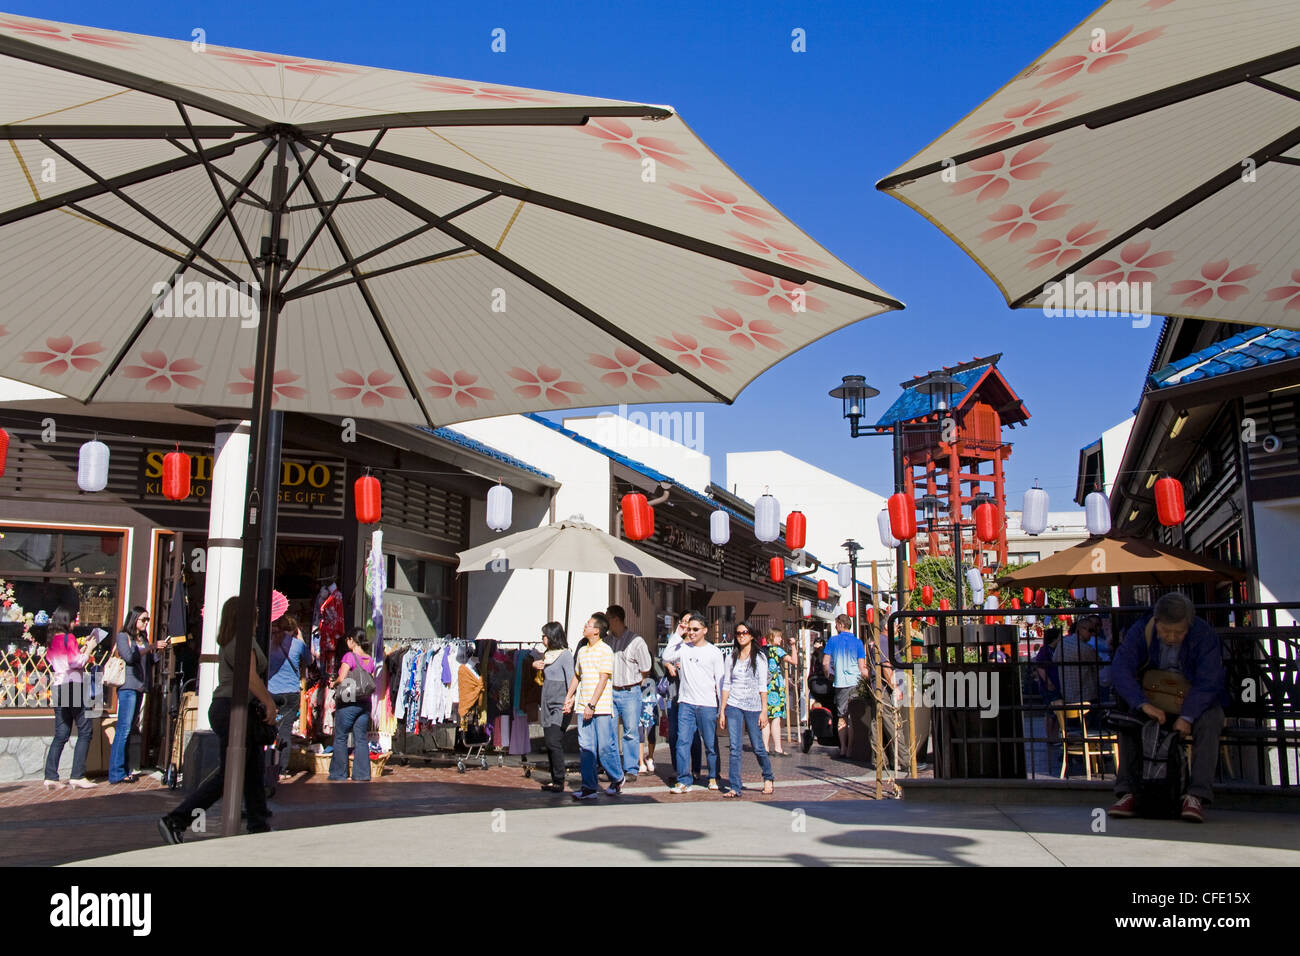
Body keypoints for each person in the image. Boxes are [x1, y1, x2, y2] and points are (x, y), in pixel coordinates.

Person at [159, 596, 277, 843]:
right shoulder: (242, 642)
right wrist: (268, 702)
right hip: (232, 709)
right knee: (229, 774)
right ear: (244, 616)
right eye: (253, 613)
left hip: (232, 708)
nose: (257, 617)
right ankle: (176, 819)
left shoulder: (233, 641)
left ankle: (258, 823)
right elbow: (250, 677)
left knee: (252, 768)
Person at [1108, 593, 1228, 824]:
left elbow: (1209, 680)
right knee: (1130, 721)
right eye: (1166, 632)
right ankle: (1128, 792)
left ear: (1189, 625)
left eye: (1179, 632)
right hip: (1153, 699)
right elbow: (1121, 669)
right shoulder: (1141, 629)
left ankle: (1196, 796)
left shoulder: (1203, 634)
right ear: (1157, 621)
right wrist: (1142, 704)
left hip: (1193, 700)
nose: (1172, 637)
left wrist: (1188, 716)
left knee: (1212, 720)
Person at [663, 610, 725, 793]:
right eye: (689, 629)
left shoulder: (714, 652)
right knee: (682, 741)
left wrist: (722, 708)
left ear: (705, 630)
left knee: (710, 743)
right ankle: (683, 779)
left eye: (695, 629)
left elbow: (720, 681)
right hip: (686, 703)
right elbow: (666, 656)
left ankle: (713, 776)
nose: (692, 632)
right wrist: (677, 633)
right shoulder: (683, 648)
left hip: (707, 704)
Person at [564, 613, 624, 800]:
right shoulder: (582, 651)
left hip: (601, 707)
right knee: (586, 747)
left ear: (597, 631)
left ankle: (617, 776)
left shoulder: (605, 650)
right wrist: (569, 696)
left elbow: (603, 678)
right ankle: (589, 787)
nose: (585, 626)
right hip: (583, 708)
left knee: (605, 747)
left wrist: (592, 704)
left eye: (588, 625)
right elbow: (577, 675)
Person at [44, 608, 99, 790]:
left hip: (58, 686)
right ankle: (77, 775)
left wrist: (81, 652)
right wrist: (89, 648)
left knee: (61, 733)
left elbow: (61, 661)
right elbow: (76, 662)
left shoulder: (51, 641)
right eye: (74, 619)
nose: (75, 622)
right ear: (66, 621)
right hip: (73, 685)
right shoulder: (69, 638)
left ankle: (50, 776)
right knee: (85, 730)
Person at [109, 606, 166, 784]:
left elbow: (149, 661)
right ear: (134, 619)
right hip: (128, 686)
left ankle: (124, 769)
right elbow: (129, 657)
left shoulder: (142, 638)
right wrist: (149, 647)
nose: (146, 622)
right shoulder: (123, 636)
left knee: (130, 728)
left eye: (147, 620)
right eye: (143, 619)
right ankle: (116, 772)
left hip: (140, 686)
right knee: (124, 728)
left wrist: (157, 650)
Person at [719, 621, 774, 797]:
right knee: (735, 747)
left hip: (753, 706)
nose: (741, 635)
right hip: (734, 705)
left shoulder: (759, 658)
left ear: (751, 635)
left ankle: (768, 776)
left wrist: (764, 710)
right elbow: (726, 684)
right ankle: (735, 786)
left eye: (744, 632)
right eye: (738, 633)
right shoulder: (731, 657)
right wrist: (722, 709)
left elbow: (762, 686)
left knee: (758, 746)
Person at [607, 604, 652, 782]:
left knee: (630, 731)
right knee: (609, 731)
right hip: (611, 690)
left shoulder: (636, 641)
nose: (606, 622)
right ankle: (613, 769)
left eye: (608, 618)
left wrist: (637, 686)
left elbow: (645, 668)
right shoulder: (607, 641)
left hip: (630, 690)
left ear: (616, 619)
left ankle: (631, 768)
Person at [267, 614, 312, 781]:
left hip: (271, 692)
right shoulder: (297, 645)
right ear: (293, 629)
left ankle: (267, 763)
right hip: (291, 693)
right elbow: (310, 660)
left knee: (269, 728)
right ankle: (282, 769)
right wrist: (300, 639)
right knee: (285, 731)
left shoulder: (269, 643)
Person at [532, 621, 574, 792]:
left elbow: (571, 678)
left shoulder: (565, 655)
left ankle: (559, 779)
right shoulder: (547, 654)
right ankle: (554, 778)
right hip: (547, 700)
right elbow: (541, 670)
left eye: (545, 635)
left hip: (560, 702)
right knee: (549, 742)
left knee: (553, 741)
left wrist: (569, 700)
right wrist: (535, 665)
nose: (543, 639)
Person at [330, 628, 374, 782]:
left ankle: (338, 774)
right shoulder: (369, 659)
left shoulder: (349, 656)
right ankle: (362, 774)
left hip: (349, 701)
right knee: (361, 738)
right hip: (365, 703)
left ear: (351, 640)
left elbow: (342, 678)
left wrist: (332, 683)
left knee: (341, 737)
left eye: (347, 640)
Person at [662, 616, 703, 781]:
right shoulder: (676, 641)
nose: (687, 626)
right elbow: (665, 655)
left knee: (692, 735)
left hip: (692, 696)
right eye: (684, 622)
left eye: (690, 623)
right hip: (675, 694)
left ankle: (696, 769)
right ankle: (678, 769)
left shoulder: (698, 645)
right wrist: (668, 665)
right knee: (674, 735)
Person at [824, 613, 869, 757]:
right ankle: (850, 749)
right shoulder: (858, 642)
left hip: (841, 683)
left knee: (842, 717)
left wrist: (829, 675)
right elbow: (862, 667)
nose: (836, 627)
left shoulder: (833, 641)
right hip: (856, 682)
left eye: (836, 624)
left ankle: (842, 748)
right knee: (852, 717)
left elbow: (825, 663)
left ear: (841, 625)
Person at [762, 627, 797, 756]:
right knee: (776, 718)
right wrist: (793, 646)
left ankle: (765, 747)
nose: (781, 639)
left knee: (765, 717)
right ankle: (778, 748)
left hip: (765, 686)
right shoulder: (778, 650)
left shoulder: (763, 650)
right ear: (773, 637)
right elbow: (794, 661)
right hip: (775, 686)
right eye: (779, 637)